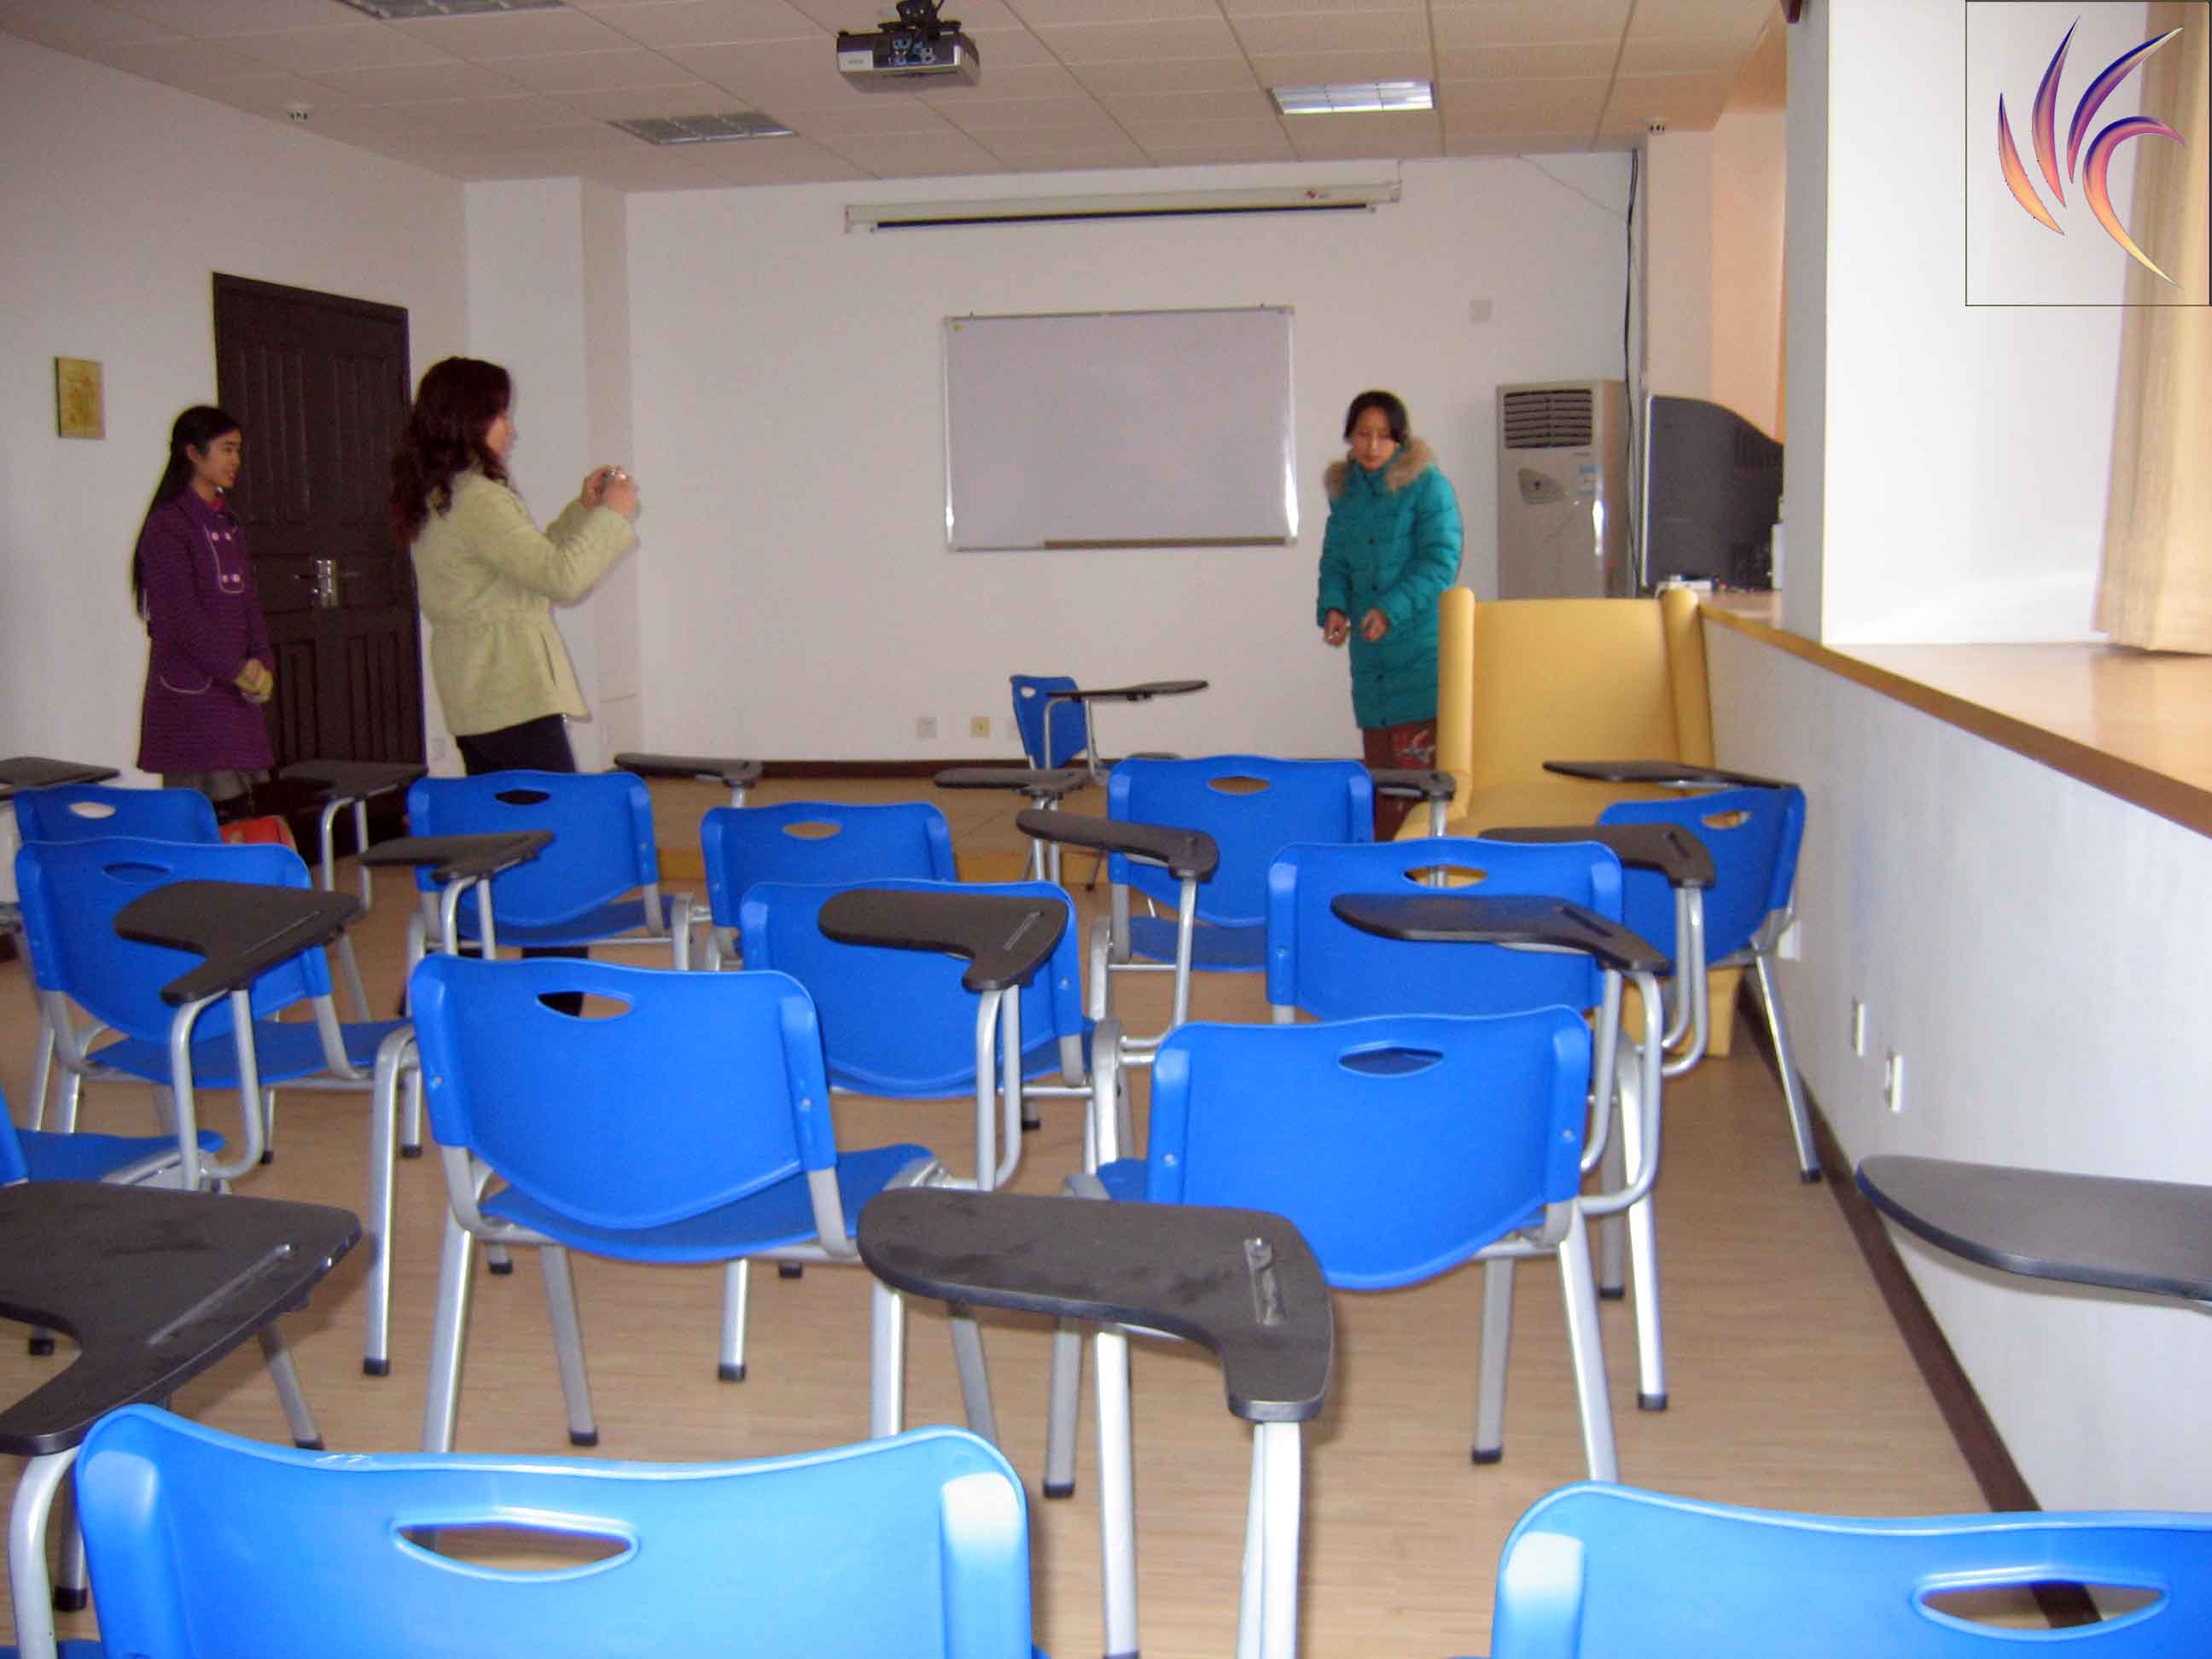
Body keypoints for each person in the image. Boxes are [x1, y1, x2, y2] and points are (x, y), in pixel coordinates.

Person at [388, 356, 640, 776]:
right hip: (509, 691)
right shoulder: (478, 497)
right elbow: (563, 579)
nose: (511, 429)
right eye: (501, 415)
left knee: (507, 813)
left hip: (478, 693)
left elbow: (533, 565)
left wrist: (585, 510)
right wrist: (613, 515)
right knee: (551, 810)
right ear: (470, 420)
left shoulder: (444, 491)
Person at [1316, 389, 1464, 839]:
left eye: (1383, 435)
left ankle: (1423, 868)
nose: (1372, 445)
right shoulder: (1346, 495)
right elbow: (1335, 561)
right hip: (1371, 657)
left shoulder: (1428, 486)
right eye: (1363, 434)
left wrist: (1390, 609)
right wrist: (1334, 606)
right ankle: (1384, 869)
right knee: (1380, 781)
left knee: (1420, 784)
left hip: (1419, 650)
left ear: (1400, 439)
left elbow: (1440, 561)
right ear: (1350, 437)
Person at [132, 405, 275, 812]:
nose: (236, 460)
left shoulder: (227, 522)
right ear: (193, 453)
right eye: (226, 449)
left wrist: (262, 663)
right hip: (193, 696)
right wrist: (234, 668)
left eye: (238, 450)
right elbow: (181, 619)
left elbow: (248, 604)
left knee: (245, 810)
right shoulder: (168, 524)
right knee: (205, 815)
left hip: (235, 688)